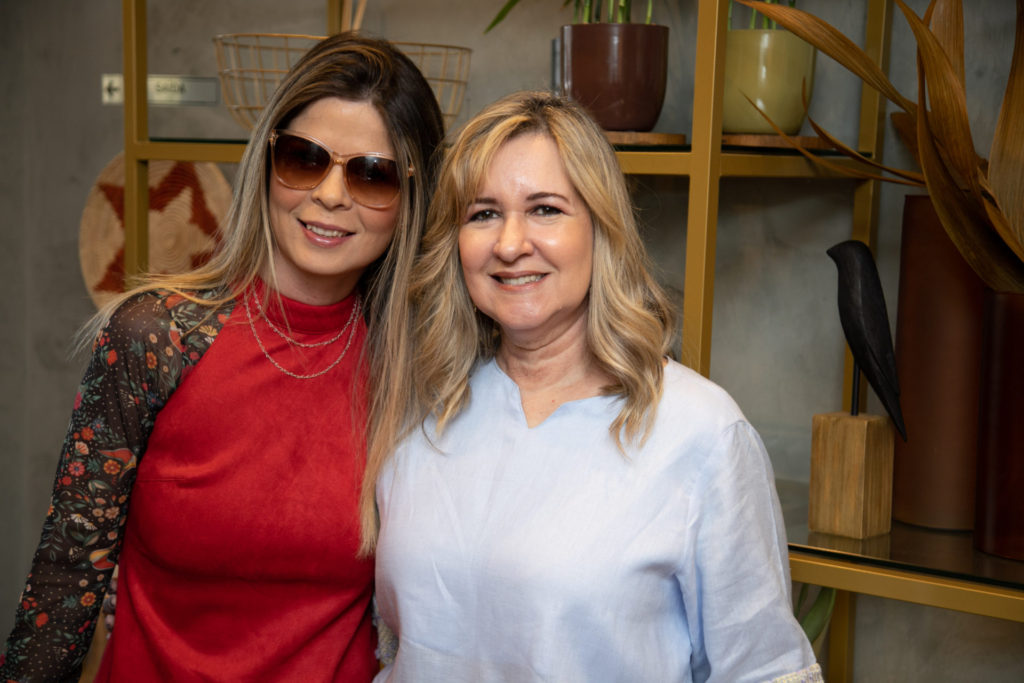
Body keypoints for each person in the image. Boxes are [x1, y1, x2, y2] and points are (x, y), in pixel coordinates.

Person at [1, 33, 443, 681]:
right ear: (266, 162)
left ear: (412, 197)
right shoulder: (157, 336)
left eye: (371, 174)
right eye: (304, 159)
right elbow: (65, 579)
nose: (329, 194)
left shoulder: (420, 368)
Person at [364, 91, 822, 682]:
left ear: (601, 227)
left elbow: (764, 670)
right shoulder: (422, 414)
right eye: (483, 214)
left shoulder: (699, 431)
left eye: (545, 209)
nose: (510, 244)